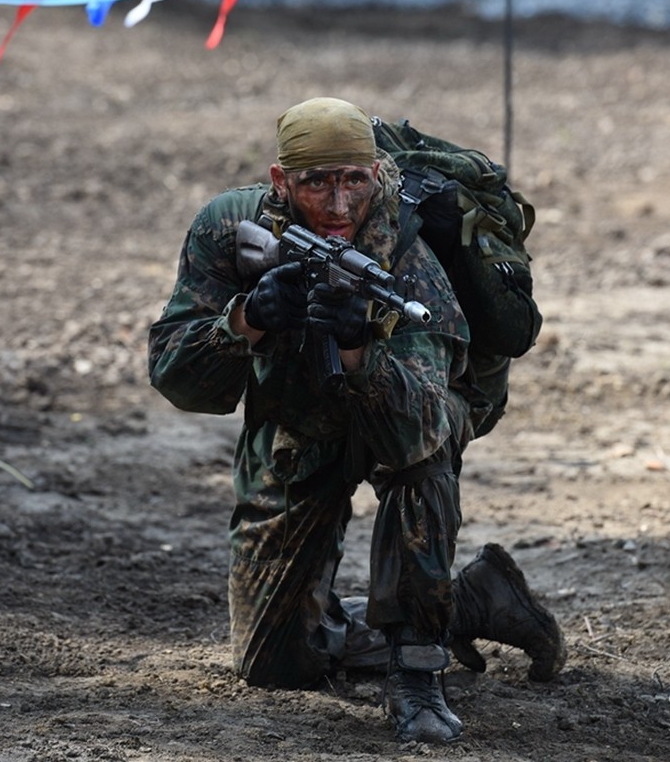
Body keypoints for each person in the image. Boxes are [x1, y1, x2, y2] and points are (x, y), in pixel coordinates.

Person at [147, 96, 566, 744]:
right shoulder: (231, 226)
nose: (339, 206)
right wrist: (249, 319)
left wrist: (359, 352)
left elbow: (424, 425)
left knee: (421, 467)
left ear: (376, 175)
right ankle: (478, 601)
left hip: (398, 426)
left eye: (354, 182)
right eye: (318, 183)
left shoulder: (411, 264)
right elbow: (176, 375)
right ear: (281, 182)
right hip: (296, 427)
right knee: (274, 663)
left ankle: (417, 671)